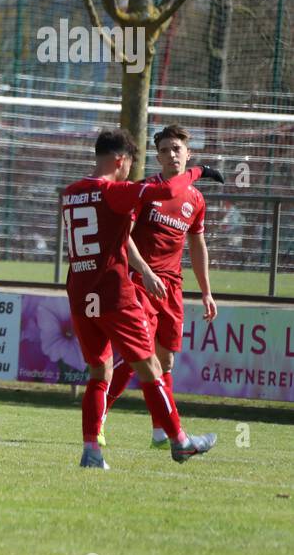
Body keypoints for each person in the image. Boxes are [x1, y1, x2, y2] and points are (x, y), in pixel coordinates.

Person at [60, 128, 221, 469]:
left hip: (80, 293)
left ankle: (92, 452)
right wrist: (199, 172)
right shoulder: (113, 192)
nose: (129, 172)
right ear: (120, 161)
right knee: (149, 366)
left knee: (98, 372)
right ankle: (179, 440)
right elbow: (164, 189)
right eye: (129, 165)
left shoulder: (71, 192)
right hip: (116, 292)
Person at [101, 125, 217, 447]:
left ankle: (160, 432)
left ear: (188, 154)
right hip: (140, 281)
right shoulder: (146, 190)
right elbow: (122, 237)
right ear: (158, 156)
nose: (172, 155)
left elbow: (197, 246)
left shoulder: (195, 199)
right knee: (140, 355)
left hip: (171, 287)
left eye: (177, 149)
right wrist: (145, 272)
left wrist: (206, 291)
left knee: (165, 362)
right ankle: (100, 416)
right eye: (165, 150)